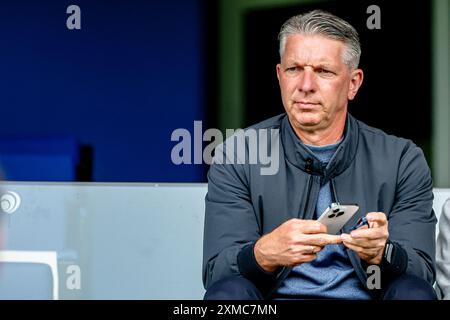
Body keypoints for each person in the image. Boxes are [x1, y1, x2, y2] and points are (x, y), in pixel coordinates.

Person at [202, 10, 437, 300]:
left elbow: (422, 273)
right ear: (279, 76)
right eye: (294, 69)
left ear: (353, 83)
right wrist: (262, 253)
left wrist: (384, 252)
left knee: (414, 293)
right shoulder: (238, 155)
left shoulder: (402, 159)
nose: (305, 86)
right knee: (228, 294)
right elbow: (217, 275)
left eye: (323, 71)